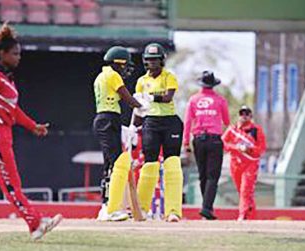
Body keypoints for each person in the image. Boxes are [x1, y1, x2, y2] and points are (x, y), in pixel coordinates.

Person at [0, 23, 62, 241]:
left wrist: (33, 126)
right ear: (1, 54)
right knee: (11, 182)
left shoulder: (5, 78)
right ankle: (35, 223)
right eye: (15, 53)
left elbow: (14, 111)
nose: (19, 57)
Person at [93, 46, 148, 221]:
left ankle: (105, 206)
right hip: (109, 119)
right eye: (125, 66)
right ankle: (112, 209)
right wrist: (141, 106)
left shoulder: (101, 75)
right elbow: (125, 95)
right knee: (117, 163)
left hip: (105, 118)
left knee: (109, 165)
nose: (125, 70)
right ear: (118, 63)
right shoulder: (112, 75)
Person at [135, 43, 184, 222]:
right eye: (149, 60)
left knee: (172, 165)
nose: (152, 63)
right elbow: (139, 108)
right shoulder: (141, 81)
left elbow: (168, 97)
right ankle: (141, 209)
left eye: (155, 60)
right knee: (149, 165)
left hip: (170, 122)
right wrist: (133, 127)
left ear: (162, 61)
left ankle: (173, 211)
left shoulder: (169, 76)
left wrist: (152, 97)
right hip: (150, 122)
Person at [183, 71, 230, 220]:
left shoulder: (193, 100)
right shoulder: (220, 100)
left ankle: (206, 208)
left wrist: (185, 142)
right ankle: (206, 208)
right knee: (212, 176)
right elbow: (227, 121)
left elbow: (188, 123)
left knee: (203, 176)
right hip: (214, 139)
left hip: (198, 139)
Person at [222, 106, 266, 220]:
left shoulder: (256, 130)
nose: (244, 116)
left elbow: (261, 148)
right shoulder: (232, 130)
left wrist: (249, 149)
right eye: (242, 113)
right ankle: (251, 215)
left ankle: (242, 215)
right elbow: (223, 144)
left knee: (245, 189)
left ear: (251, 116)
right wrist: (236, 147)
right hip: (235, 164)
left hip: (250, 164)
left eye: (247, 113)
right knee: (242, 191)